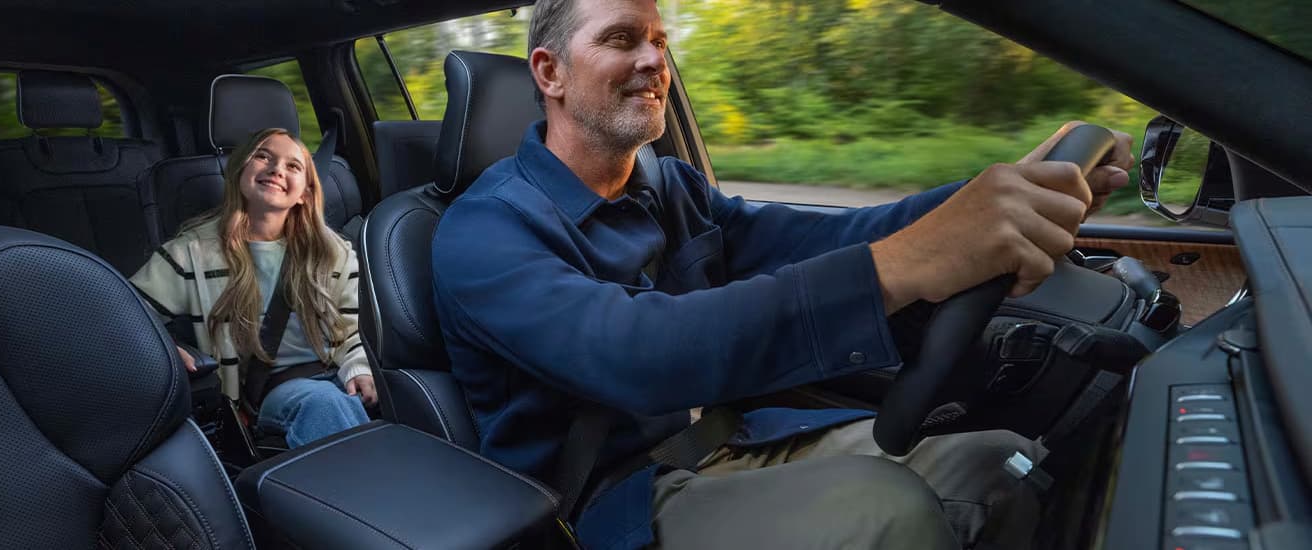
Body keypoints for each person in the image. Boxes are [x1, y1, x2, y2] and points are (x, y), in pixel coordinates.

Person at [431, 0, 1136, 548]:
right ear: (550, 73)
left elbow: (820, 238)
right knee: (884, 515)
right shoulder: (483, 232)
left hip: (738, 440)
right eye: (621, 39)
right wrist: (912, 261)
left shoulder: (667, 185)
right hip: (617, 505)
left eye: (659, 40)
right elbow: (639, 353)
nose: (653, 59)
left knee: (999, 466)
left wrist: (991, 195)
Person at [132, 128, 377, 449]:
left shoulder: (333, 251)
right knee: (322, 403)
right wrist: (161, 346)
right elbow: (123, 311)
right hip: (270, 392)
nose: (276, 169)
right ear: (238, 172)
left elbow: (354, 329)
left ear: (305, 191)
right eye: (263, 156)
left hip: (336, 374)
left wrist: (358, 367)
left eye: (293, 166)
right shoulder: (190, 253)